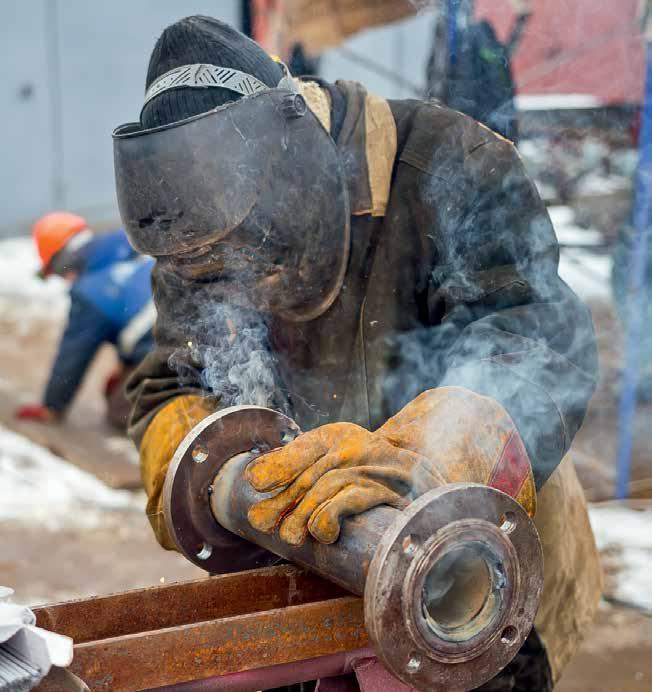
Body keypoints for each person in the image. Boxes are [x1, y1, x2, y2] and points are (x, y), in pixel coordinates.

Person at [116, 16, 602, 690]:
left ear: (305, 167)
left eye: (259, 254)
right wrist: (219, 469)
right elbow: (170, 380)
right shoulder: (197, 230)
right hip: (307, 564)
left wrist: (430, 454)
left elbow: (533, 336)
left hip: (472, 570)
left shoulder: (448, 163)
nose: (245, 282)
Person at [15, 212, 155, 429]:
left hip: (166, 345)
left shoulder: (87, 293)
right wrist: (126, 363)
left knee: (122, 410)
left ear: (62, 260)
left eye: (57, 273)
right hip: (194, 318)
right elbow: (130, 304)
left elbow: (72, 356)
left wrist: (52, 405)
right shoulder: (123, 240)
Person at [426, 0, 533, 143]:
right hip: (470, 117)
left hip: (472, 117)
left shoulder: (475, 38)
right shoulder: (472, 38)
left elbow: (436, 71)